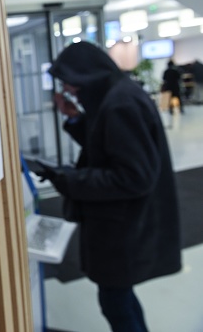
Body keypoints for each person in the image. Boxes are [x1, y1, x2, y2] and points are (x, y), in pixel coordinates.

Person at [38, 42, 182, 332]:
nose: (68, 89)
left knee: (115, 301)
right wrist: (76, 118)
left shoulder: (121, 103)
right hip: (123, 224)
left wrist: (66, 178)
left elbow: (133, 177)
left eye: (70, 82)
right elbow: (108, 147)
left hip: (123, 227)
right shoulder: (117, 96)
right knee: (120, 298)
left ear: (86, 75)